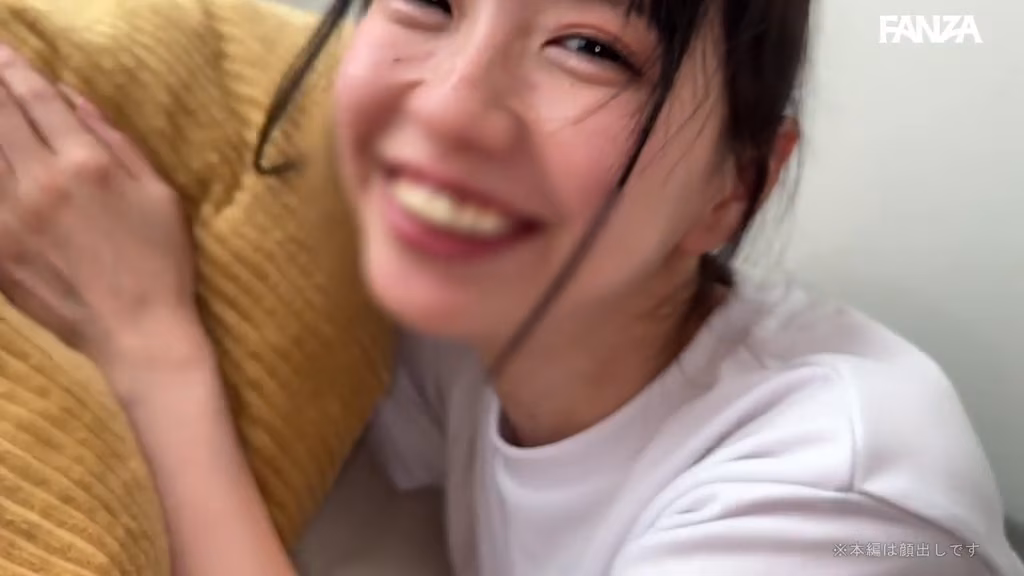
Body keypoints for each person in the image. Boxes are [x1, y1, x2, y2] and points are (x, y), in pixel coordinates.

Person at [0, 0, 1022, 574]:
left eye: (591, 49)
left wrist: (152, 350)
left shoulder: (838, 499)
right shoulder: (462, 329)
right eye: (433, 1)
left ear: (733, 191)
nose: (448, 109)